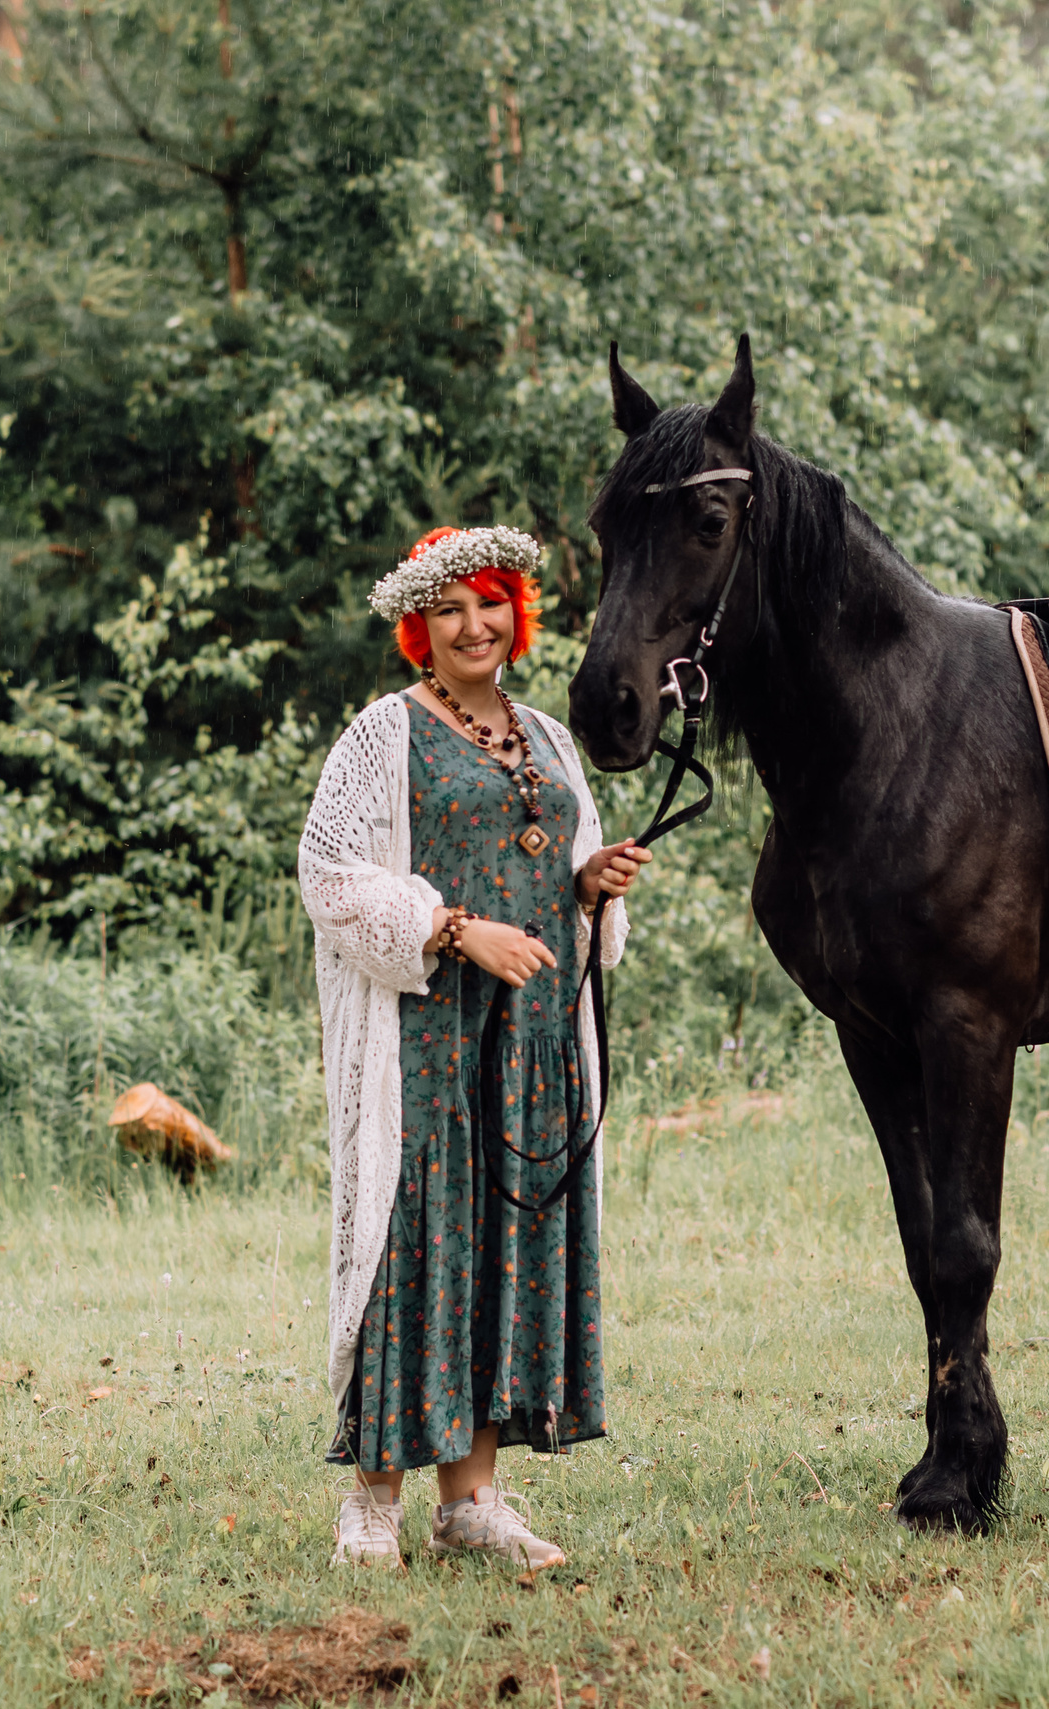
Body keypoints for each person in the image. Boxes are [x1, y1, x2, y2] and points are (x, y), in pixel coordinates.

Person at [298, 524, 649, 1570]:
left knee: (502, 1257)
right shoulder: (382, 734)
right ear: (420, 625)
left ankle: (473, 1501)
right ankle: (372, 1497)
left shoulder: (546, 734)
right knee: (411, 1251)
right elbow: (329, 873)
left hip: (533, 1047)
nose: (472, 625)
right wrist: (451, 927)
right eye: (448, 608)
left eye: (489, 602)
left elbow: (564, 859)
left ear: (515, 612)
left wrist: (590, 888)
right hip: (425, 1045)